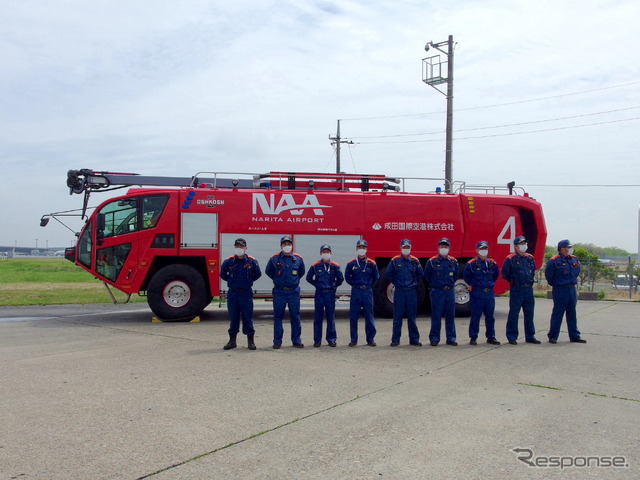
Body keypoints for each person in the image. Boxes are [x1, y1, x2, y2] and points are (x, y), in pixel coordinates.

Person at [219, 238, 262, 350]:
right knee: (233, 317)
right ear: (234, 247)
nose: (239, 249)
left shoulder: (252, 261)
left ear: (245, 248)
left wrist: (247, 282)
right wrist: (232, 282)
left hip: (246, 293)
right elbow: (223, 274)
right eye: (237, 246)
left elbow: (257, 274)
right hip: (233, 293)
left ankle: (250, 341)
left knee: (248, 317)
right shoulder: (228, 262)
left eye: (241, 247)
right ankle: (232, 341)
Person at [265, 235, 306, 348]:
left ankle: (296, 340)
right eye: (284, 244)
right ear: (281, 246)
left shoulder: (298, 259)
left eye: (289, 244)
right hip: (279, 292)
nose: (287, 246)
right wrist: (278, 281)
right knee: (278, 316)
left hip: (293, 292)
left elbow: (301, 272)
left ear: (292, 246)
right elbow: (268, 272)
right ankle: (277, 341)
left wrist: (293, 282)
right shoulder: (274, 259)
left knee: (295, 316)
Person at [545, 239, 586, 344]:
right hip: (560, 289)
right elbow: (549, 276)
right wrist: (558, 283)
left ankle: (574, 335)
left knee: (572, 313)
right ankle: (553, 336)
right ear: (562, 249)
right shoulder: (554, 260)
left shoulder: (574, 259)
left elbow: (576, 272)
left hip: (571, 289)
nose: (570, 249)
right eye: (568, 247)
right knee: (558, 313)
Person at [501, 235, 540, 345]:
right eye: (521, 244)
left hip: (528, 289)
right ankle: (512, 336)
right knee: (514, 313)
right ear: (516, 247)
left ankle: (530, 336)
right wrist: (514, 282)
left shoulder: (530, 258)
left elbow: (532, 271)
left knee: (529, 313)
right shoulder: (510, 259)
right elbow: (505, 274)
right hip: (517, 289)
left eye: (525, 244)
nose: (524, 246)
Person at [385, 239, 424, 347]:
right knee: (397, 317)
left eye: (408, 247)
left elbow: (420, 274)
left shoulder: (415, 261)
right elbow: (389, 274)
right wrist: (396, 283)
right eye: (404, 247)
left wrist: (414, 283)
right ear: (400, 248)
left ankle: (414, 339)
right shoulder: (395, 260)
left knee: (412, 317)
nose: (406, 249)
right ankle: (395, 340)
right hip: (400, 291)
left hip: (411, 291)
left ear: (410, 248)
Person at [306, 244, 344, 347]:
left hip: (330, 294)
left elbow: (340, 279)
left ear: (331, 253)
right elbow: (308, 278)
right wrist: (317, 285)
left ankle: (331, 339)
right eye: (324, 252)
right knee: (318, 317)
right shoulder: (315, 265)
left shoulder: (335, 266)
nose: (326, 254)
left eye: (327, 252)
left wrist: (334, 286)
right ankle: (317, 340)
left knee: (330, 317)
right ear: (320, 253)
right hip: (319, 294)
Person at [463, 241, 500, 346]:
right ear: (477, 250)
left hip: (489, 293)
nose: (484, 251)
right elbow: (467, 277)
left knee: (490, 316)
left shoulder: (492, 264)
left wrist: (488, 284)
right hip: (477, 293)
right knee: (476, 316)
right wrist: (476, 284)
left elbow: (496, 275)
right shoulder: (471, 264)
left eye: (485, 249)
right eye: (481, 249)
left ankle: (491, 337)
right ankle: (473, 337)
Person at [423, 238, 458, 346]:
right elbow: (427, 275)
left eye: (446, 247)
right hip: (437, 291)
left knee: (450, 315)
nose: (444, 248)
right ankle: (434, 338)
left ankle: (451, 338)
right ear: (438, 248)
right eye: (442, 246)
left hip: (449, 291)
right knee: (436, 315)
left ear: (449, 248)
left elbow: (455, 276)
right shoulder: (432, 261)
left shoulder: (453, 262)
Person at [344, 239, 379, 347]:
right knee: (353, 316)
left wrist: (367, 285)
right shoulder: (351, 264)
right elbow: (347, 277)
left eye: (363, 248)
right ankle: (353, 339)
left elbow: (376, 277)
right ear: (356, 249)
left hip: (367, 291)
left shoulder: (372, 264)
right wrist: (355, 285)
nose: (361, 250)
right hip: (356, 291)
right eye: (359, 248)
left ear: (366, 249)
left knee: (369, 316)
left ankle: (370, 339)